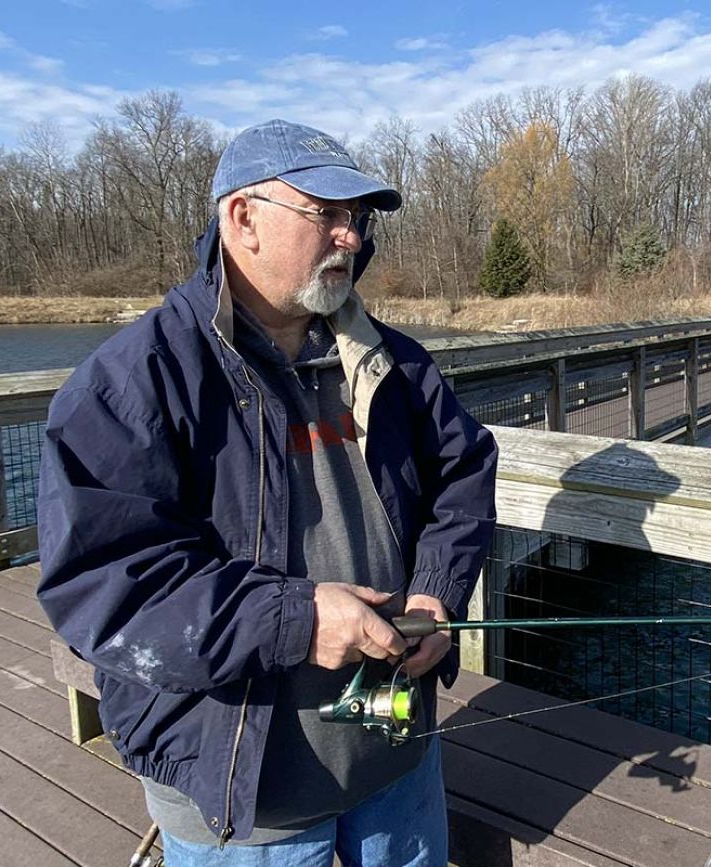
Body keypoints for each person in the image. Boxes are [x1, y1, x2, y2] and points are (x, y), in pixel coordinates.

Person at [36, 119, 499, 866]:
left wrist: (436, 594)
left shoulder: (396, 365)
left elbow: (463, 474)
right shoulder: (132, 385)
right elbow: (105, 587)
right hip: (242, 801)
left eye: (358, 218)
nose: (351, 238)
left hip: (397, 762)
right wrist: (294, 619)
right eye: (327, 214)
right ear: (241, 218)